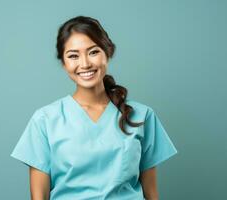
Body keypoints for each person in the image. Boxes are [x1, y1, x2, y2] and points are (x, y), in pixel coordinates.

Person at [10, 15, 178, 200]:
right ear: (64, 63)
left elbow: (151, 194)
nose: (85, 64)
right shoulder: (45, 120)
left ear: (108, 52)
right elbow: (38, 197)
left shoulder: (142, 116)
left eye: (93, 52)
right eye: (73, 55)